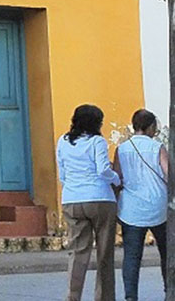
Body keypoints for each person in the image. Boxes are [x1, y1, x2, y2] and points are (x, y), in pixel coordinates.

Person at [57, 104, 122, 301]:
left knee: (77, 252)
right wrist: (117, 179)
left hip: (72, 199)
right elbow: (103, 170)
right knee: (104, 253)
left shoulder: (63, 141)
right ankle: (104, 297)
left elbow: (63, 174)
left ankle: (72, 296)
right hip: (100, 199)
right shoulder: (97, 141)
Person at [114, 109, 168, 301]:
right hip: (159, 207)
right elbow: (169, 174)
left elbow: (117, 179)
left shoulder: (121, 149)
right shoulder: (158, 147)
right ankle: (169, 291)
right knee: (167, 253)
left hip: (131, 210)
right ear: (151, 127)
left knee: (131, 256)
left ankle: (130, 296)